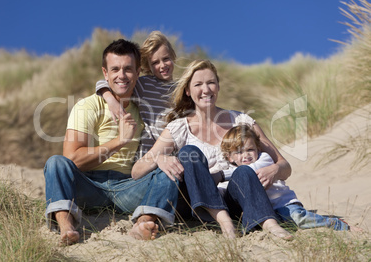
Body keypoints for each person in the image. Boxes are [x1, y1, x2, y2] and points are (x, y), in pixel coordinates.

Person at [132, 59, 293, 240]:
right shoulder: (179, 127)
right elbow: (136, 171)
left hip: (236, 200)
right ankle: (225, 223)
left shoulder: (241, 121)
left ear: (218, 86)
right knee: (188, 152)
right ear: (187, 90)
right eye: (198, 84)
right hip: (197, 206)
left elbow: (285, 167)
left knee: (243, 172)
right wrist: (159, 158)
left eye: (211, 83)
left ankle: (270, 225)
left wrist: (275, 169)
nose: (206, 90)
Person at [43, 39, 179, 245]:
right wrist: (120, 140)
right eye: (115, 69)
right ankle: (66, 225)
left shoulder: (144, 106)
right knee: (56, 163)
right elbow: (73, 159)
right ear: (105, 73)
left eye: (128, 69)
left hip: (129, 186)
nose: (121, 75)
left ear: (138, 72)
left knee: (168, 169)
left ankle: (143, 222)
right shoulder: (87, 106)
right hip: (89, 185)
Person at [220, 124, 356, 231]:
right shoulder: (233, 171)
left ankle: (338, 224)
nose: (246, 155)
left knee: (299, 218)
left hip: (284, 204)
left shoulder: (264, 159)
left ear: (258, 149)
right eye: (238, 152)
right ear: (229, 157)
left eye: (250, 149)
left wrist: (220, 176)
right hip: (268, 211)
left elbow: (249, 172)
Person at [95, 31, 176, 160]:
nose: (162, 65)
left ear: (173, 56)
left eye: (166, 59)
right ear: (148, 66)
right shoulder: (144, 84)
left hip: (176, 150)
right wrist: (111, 100)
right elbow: (102, 83)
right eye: (155, 62)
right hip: (149, 153)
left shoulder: (182, 87)